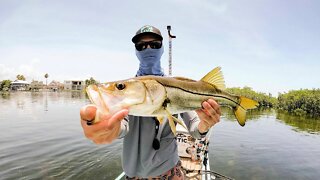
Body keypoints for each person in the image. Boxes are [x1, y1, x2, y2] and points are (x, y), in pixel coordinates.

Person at [80, 25, 221, 179]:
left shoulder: (178, 88)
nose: (148, 49)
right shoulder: (127, 92)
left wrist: (204, 124)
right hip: (133, 175)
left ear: (162, 49)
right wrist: (106, 128)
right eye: (141, 46)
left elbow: (195, 129)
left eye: (154, 45)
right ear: (136, 51)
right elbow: (121, 125)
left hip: (170, 172)